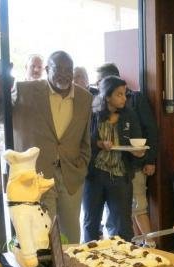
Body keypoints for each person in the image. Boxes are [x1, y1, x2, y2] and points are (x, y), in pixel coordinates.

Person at [12, 51, 92, 243]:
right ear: (47, 69)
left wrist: (82, 164)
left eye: (68, 69)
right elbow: (1, 116)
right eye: (58, 68)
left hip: (70, 175)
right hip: (37, 175)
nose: (64, 74)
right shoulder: (25, 90)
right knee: (41, 235)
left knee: (71, 236)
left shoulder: (84, 98)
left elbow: (85, 138)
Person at [94, 63, 158, 245]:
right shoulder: (98, 108)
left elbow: (150, 130)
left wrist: (150, 159)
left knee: (138, 206)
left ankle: (151, 245)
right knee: (121, 212)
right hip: (108, 169)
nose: (96, 84)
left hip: (133, 164)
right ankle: (133, 245)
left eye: (99, 80)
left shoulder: (135, 100)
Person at [82, 75, 145, 242]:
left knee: (123, 225)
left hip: (120, 175)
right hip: (94, 175)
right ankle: (90, 262)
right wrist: (99, 143)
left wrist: (138, 152)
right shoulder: (93, 114)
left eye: (125, 94)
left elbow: (137, 140)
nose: (124, 98)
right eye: (119, 94)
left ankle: (124, 261)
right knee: (91, 223)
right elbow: (83, 141)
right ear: (107, 96)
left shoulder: (129, 115)